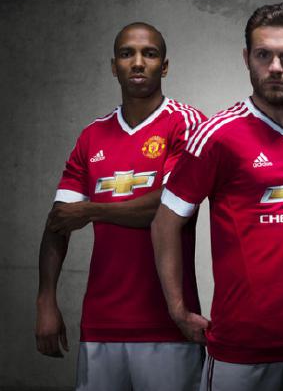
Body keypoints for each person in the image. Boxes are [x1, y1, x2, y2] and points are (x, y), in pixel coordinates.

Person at [152, 2, 283, 391]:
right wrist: (177, 309)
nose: (275, 67)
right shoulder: (217, 134)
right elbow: (166, 222)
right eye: (263, 55)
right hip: (240, 348)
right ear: (246, 58)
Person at [35, 22, 205, 391]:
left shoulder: (187, 124)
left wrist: (91, 211)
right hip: (101, 324)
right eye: (127, 54)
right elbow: (59, 220)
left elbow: (169, 207)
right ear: (114, 66)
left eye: (150, 54)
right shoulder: (92, 136)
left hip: (169, 325)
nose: (138, 62)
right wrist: (46, 299)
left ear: (165, 66)